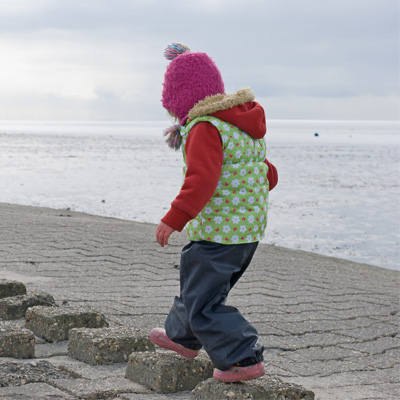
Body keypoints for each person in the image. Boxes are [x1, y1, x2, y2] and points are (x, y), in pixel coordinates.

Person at [150, 42, 278, 383]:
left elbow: (202, 179)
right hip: (246, 232)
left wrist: (174, 217)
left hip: (220, 232)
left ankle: (242, 357)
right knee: (198, 285)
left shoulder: (205, 127)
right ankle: (182, 337)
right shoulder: (240, 123)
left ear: (181, 99)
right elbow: (265, 171)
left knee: (204, 301)